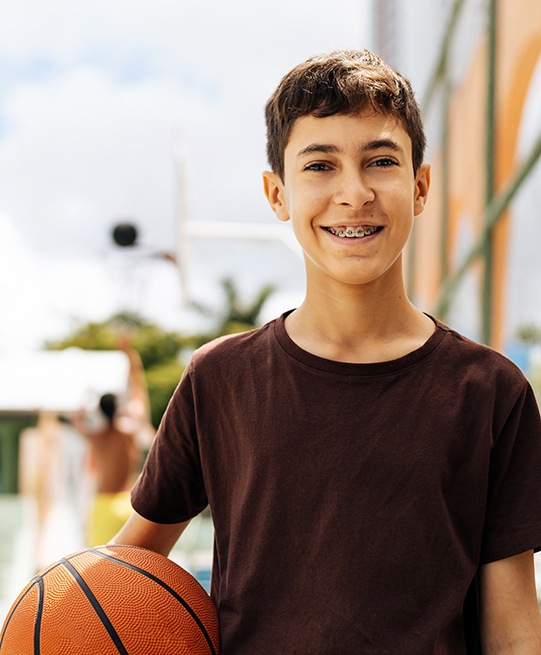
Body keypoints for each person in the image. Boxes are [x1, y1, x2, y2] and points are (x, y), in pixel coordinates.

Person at [111, 49, 541, 653]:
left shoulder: (491, 391)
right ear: (277, 194)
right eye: (320, 165)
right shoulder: (220, 380)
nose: (354, 192)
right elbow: (118, 577)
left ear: (419, 186)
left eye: (381, 161)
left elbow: (514, 630)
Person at [74, 340, 154, 546]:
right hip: (128, 502)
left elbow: (77, 420)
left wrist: (86, 398)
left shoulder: (97, 437)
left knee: (98, 567)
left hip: (103, 502)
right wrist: (131, 356)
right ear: (118, 407)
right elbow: (139, 394)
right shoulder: (129, 431)